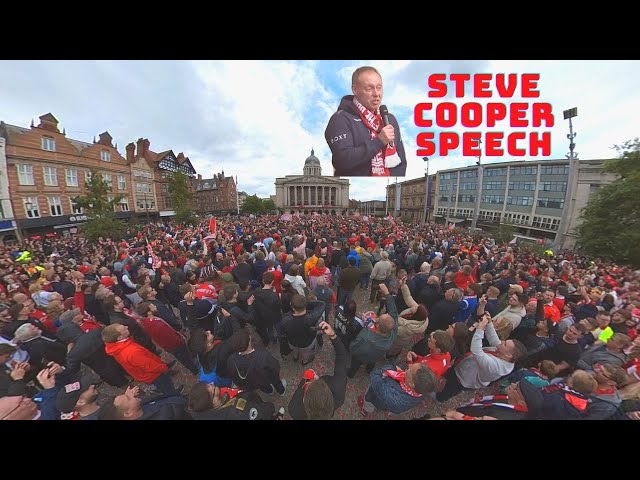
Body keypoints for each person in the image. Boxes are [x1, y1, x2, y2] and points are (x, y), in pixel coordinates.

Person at [325, 66, 407, 177]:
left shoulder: (389, 118)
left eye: (379, 87)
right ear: (355, 89)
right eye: (369, 89)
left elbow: (401, 162)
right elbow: (342, 161)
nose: (376, 94)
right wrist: (379, 141)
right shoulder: (340, 120)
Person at [288, 321, 347, 420]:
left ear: (305, 399)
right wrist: (332, 335)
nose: (315, 379)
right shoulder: (339, 391)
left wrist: (305, 381)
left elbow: (299, 391)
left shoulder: (294, 410)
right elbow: (342, 356)